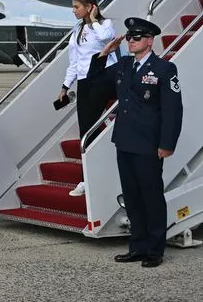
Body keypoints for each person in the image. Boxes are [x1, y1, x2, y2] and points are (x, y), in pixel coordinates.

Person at [87, 17, 183, 268]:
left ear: (150, 41)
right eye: (129, 37)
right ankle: (137, 247)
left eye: (136, 37)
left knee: (151, 197)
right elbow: (95, 81)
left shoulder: (164, 69)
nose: (130, 41)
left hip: (149, 144)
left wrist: (167, 143)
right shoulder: (123, 66)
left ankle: (154, 250)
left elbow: (172, 110)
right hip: (125, 141)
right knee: (131, 197)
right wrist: (103, 54)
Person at [58, 0, 117, 197]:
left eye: (76, 7)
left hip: (103, 76)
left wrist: (93, 20)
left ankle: (96, 175)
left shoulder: (105, 24)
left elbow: (106, 38)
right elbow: (74, 61)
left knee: (92, 126)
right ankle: (88, 178)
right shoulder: (76, 30)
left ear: (90, 7)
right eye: (73, 7)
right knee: (85, 130)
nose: (73, 10)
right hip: (84, 81)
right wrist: (65, 86)